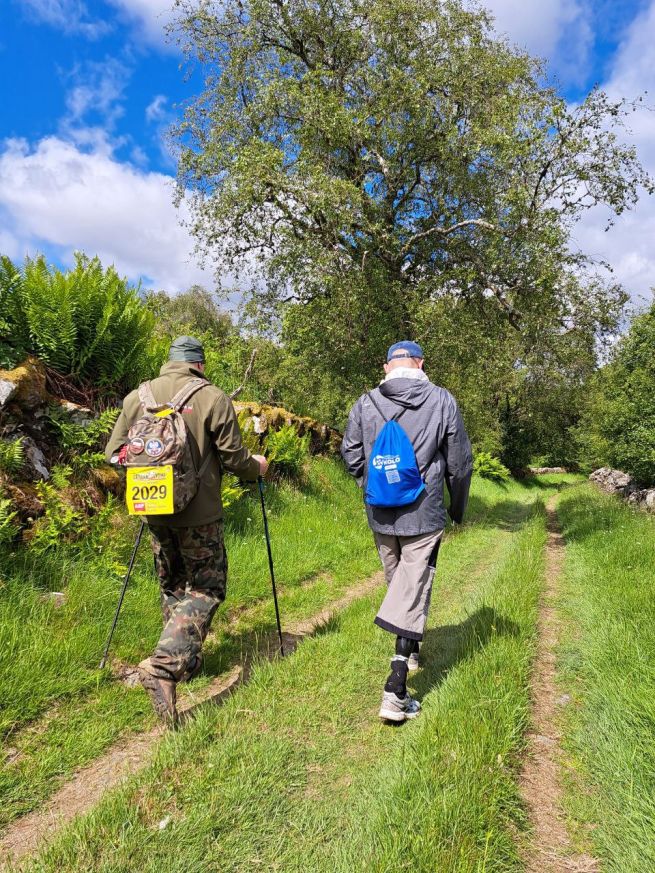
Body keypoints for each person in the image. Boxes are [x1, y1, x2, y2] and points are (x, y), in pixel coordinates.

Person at [105, 335, 268, 725]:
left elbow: (115, 454)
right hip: (200, 513)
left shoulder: (136, 398)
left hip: (153, 511)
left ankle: (185, 662)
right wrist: (258, 467)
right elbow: (233, 458)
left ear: (169, 361)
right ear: (200, 363)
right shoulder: (212, 396)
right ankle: (164, 669)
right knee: (207, 587)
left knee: (173, 585)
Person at [341, 341, 472, 722]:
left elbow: (351, 456)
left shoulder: (366, 403)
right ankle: (396, 690)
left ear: (386, 368)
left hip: (380, 511)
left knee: (400, 583)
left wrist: (375, 481)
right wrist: (457, 507)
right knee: (412, 586)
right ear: (421, 363)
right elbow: (460, 463)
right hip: (424, 508)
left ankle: (410, 649)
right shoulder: (442, 400)